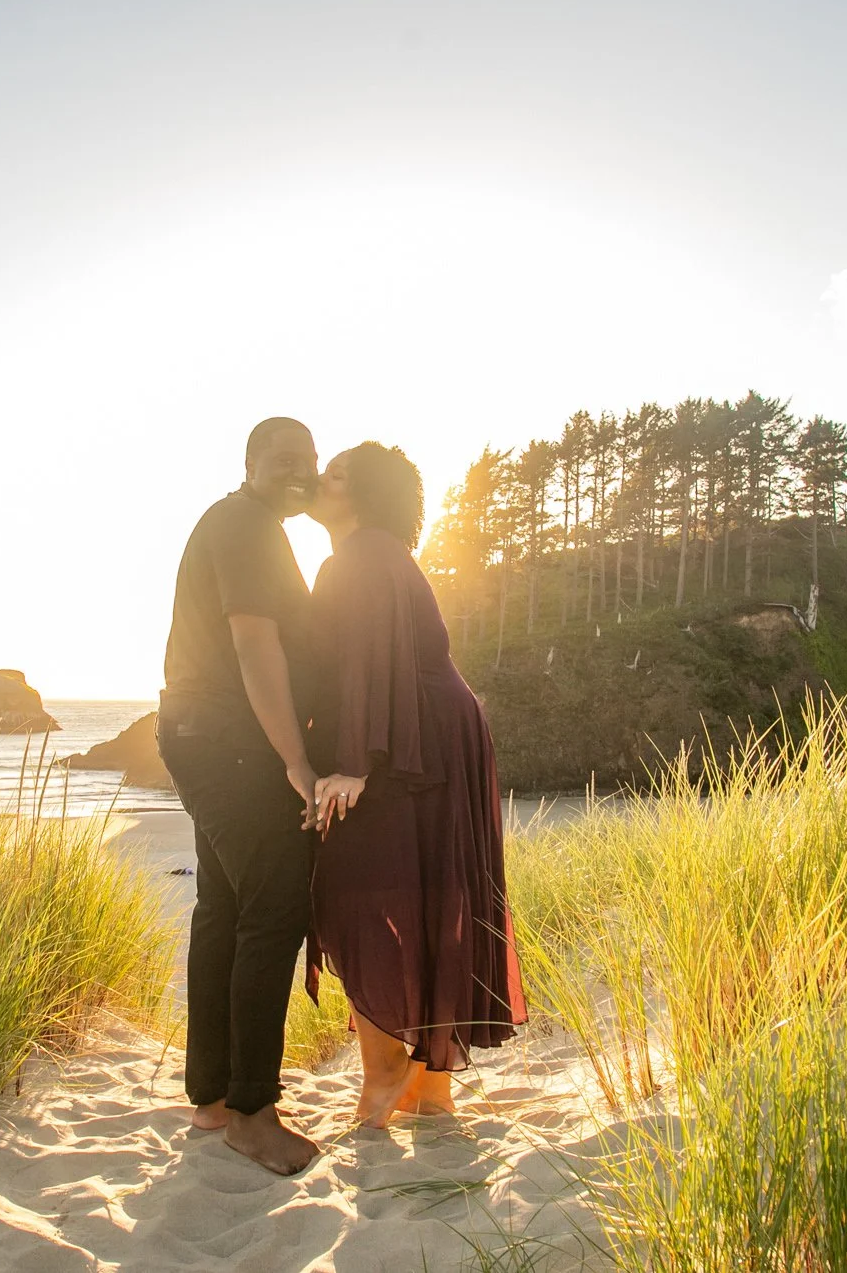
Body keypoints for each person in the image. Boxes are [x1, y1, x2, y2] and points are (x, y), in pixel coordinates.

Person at [304, 442, 527, 1127]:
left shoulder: (364, 552)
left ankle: (386, 1074)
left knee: (357, 891)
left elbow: (375, 656)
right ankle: (430, 1087)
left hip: (408, 735)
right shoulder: (377, 552)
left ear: (364, 494)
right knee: (429, 893)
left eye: (336, 474)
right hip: (429, 729)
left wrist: (357, 762)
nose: (319, 479)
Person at [156, 417, 322, 1175]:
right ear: (250, 463)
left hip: (205, 734)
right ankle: (252, 1114)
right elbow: (256, 645)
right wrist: (298, 760)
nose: (300, 471)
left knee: (222, 908)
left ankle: (214, 1098)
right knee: (275, 908)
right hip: (229, 744)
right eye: (284, 459)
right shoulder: (248, 525)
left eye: (309, 461)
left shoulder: (243, 523)